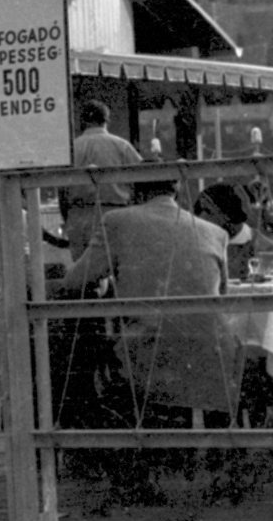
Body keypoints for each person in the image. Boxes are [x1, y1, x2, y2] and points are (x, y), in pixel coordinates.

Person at [57, 168, 239, 419]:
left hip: (149, 356)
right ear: (175, 190)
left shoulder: (117, 221)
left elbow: (74, 281)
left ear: (133, 190)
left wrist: (109, 284)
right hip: (211, 356)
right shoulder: (215, 233)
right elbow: (221, 297)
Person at [59, 100, 143, 259]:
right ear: (106, 121)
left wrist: (69, 217)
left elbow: (62, 192)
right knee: (115, 268)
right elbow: (143, 181)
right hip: (114, 212)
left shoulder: (70, 149)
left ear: (83, 121)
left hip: (78, 216)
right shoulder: (122, 146)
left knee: (83, 275)